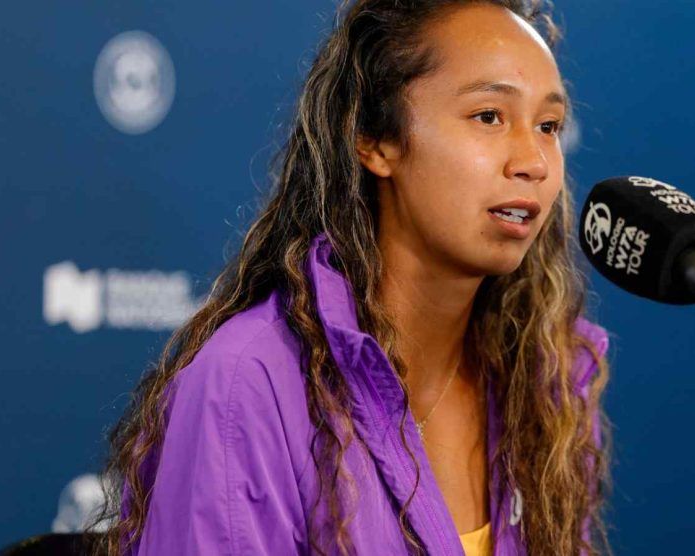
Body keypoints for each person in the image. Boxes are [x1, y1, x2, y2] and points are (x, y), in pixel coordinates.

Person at [91, 1, 612, 554]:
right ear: (375, 138)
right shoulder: (248, 385)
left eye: (549, 126)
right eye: (489, 116)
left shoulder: (549, 379)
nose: (533, 160)